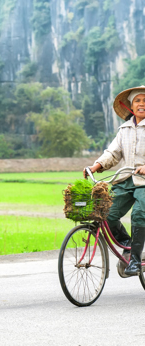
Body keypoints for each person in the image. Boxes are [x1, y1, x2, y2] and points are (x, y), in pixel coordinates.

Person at [84, 85, 145, 276]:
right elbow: (113, 152)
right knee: (105, 213)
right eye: (137, 100)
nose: (142, 104)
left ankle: (135, 261)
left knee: (139, 214)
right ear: (131, 106)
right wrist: (96, 166)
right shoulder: (124, 129)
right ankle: (128, 244)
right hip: (126, 178)